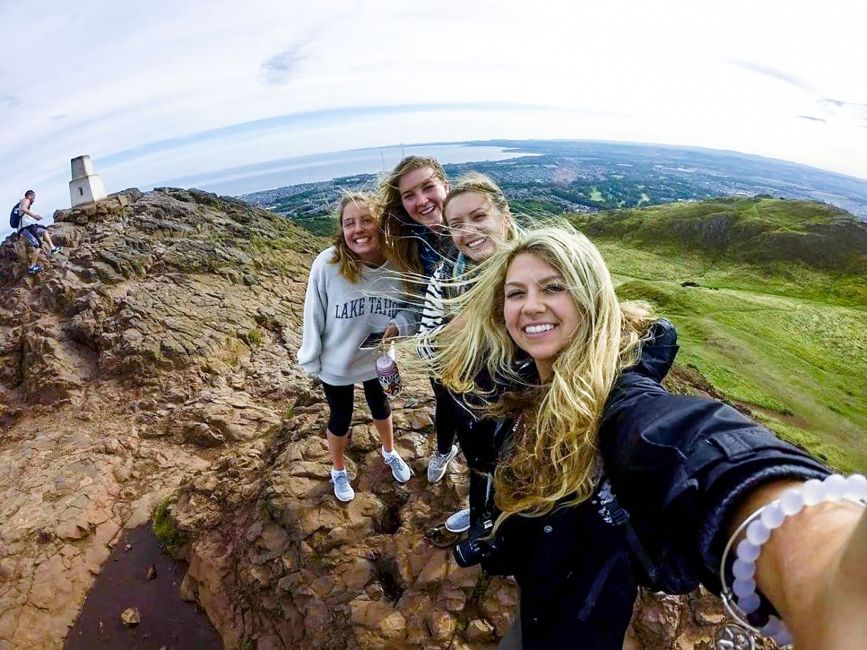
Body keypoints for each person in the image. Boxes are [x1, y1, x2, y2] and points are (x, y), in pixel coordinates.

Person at [428, 224, 867, 648]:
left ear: (591, 300)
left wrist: (821, 563)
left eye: (553, 288)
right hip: (538, 588)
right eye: (516, 293)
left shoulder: (620, 396)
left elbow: (682, 443)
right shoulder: (521, 381)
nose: (531, 306)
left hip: (586, 617)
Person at [298, 193, 415, 502]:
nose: (358, 229)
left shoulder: (399, 264)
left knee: (382, 406)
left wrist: (400, 325)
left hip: (378, 358)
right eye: (349, 223)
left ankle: (389, 452)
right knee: (341, 416)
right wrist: (311, 360)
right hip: (338, 361)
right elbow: (313, 313)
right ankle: (338, 470)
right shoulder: (328, 264)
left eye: (366, 220)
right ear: (342, 229)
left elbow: (412, 308)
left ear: (382, 224)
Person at [417, 173, 517, 534]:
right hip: (469, 397)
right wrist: (462, 324)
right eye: (456, 224)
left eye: (479, 217)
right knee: (479, 462)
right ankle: (480, 515)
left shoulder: (535, 269)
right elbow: (426, 348)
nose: (468, 231)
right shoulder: (445, 277)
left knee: (516, 467)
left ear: (504, 219)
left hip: (525, 404)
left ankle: (501, 517)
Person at [380, 156, 463, 485]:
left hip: (488, 347)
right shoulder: (411, 244)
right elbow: (415, 302)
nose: (421, 200)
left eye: (428, 187)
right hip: (438, 349)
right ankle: (446, 448)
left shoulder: (476, 226)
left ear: (447, 185)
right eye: (409, 195)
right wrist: (399, 325)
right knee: (444, 400)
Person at [13, 190, 61, 275]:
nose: (34, 200)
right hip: (26, 228)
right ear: (30, 196)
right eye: (33, 198)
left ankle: (53, 248)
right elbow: (23, 209)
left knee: (44, 230)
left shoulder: (24, 201)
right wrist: (34, 216)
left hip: (29, 226)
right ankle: (32, 267)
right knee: (38, 246)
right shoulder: (26, 200)